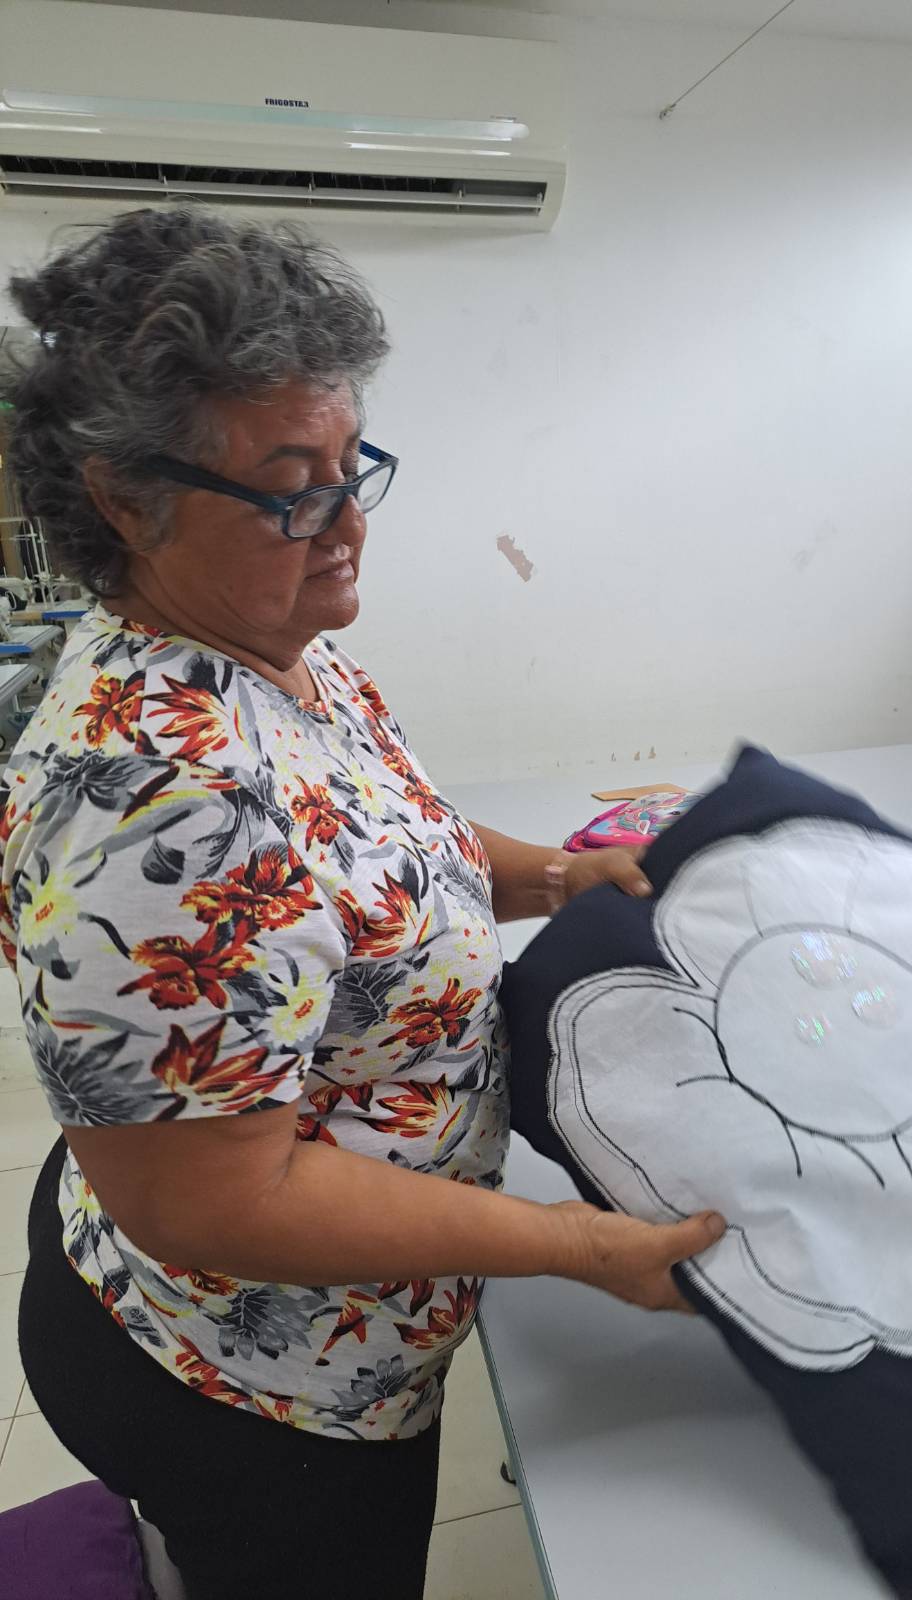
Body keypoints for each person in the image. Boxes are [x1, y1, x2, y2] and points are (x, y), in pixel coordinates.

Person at [0, 208, 725, 1600]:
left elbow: (374, 841)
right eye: (292, 490)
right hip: (251, 1384)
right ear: (124, 500)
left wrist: (556, 875)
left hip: (324, 1329)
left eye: (353, 469)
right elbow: (221, 1198)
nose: (347, 525)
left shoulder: (273, 644)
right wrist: (578, 1247)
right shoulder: (153, 801)